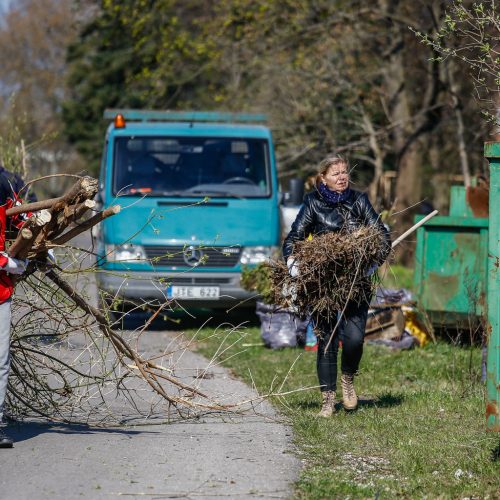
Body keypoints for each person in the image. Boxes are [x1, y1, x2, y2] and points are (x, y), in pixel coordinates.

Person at [283, 155, 391, 417]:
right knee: (327, 339)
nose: (342, 177)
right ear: (323, 178)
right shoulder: (313, 203)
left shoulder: (359, 200)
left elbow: (382, 235)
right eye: (335, 174)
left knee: (353, 339)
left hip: (355, 281)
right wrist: (292, 262)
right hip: (324, 284)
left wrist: (372, 263)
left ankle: (348, 380)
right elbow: (293, 238)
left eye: (344, 173)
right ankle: (328, 399)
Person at [0, 168, 30, 448]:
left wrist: (37, 245)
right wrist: (8, 263)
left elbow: (22, 217)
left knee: (0, 362)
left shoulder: (5, 183)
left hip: (0, 292)